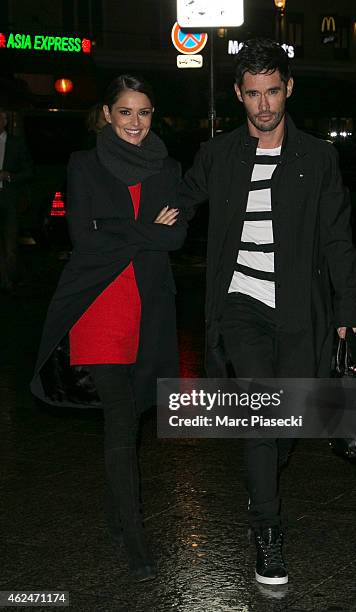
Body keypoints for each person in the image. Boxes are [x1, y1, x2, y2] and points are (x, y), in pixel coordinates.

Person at [177, 39, 356, 585]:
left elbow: (337, 239)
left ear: (288, 89)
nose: (263, 105)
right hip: (241, 305)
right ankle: (268, 531)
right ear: (238, 93)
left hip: (300, 309)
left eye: (272, 92)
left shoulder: (318, 158)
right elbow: (179, 198)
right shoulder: (219, 155)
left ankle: (265, 475)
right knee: (263, 412)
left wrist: (347, 307)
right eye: (252, 93)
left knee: (286, 422)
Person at [31, 75, 185, 581]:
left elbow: (177, 235)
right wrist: (147, 233)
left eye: (143, 112)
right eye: (125, 112)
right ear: (107, 114)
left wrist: (118, 230)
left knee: (131, 421)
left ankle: (118, 514)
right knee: (121, 421)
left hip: (149, 312)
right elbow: (85, 238)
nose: (135, 123)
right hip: (97, 309)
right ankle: (136, 539)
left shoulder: (168, 168)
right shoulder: (84, 165)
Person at [0, 108, 33, 293]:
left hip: (9, 199)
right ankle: (4, 279)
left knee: (11, 242)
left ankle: (11, 280)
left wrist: (9, 176)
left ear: (4, 121)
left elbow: (29, 171)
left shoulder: (15, 143)